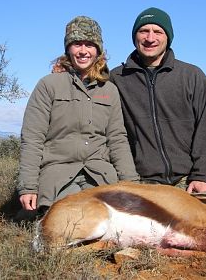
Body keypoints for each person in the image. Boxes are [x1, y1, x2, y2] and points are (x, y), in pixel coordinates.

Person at [17, 16, 139, 214]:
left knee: (111, 221)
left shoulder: (109, 90)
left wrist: (131, 185)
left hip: (100, 176)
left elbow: (117, 139)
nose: (83, 51)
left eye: (90, 45)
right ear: (68, 49)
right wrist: (28, 186)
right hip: (58, 176)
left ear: (98, 50)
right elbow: (32, 138)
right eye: (77, 44)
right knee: (72, 219)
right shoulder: (49, 85)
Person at [110, 7, 206, 193]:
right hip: (137, 184)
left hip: (187, 183)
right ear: (135, 36)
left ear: (168, 37)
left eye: (158, 32)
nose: (150, 38)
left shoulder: (192, 76)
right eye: (143, 31)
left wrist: (203, 177)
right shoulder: (116, 78)